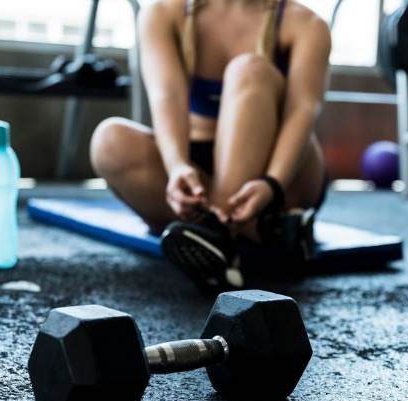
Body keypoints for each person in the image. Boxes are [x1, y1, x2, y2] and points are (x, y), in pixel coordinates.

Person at [90, 0, 331, 290]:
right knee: (109, 140)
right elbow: (167, 97)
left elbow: (302, 112)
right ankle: (223, 232)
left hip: (280, 175)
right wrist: (177, 167)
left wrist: (272, 183)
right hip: (196, 168)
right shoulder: (164, 12)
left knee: (249, 68)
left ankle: (215, 234)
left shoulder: (305, 24)